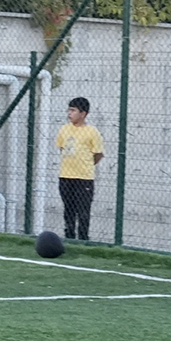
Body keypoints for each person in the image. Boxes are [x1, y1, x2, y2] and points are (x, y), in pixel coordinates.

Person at [53, 95, 105, 242]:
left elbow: (98, 154)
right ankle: (69, 236)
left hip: (84, 178)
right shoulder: (64, 129)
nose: (70, 114)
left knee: (83, 211)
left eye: (73, 110)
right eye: (69, 110)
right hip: (66, 176)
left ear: (83, 114)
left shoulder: (92, 132)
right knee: (68, 209)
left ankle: (83, 239)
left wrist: (86, 164)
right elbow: (62, 148)